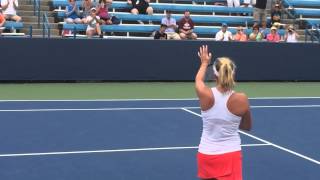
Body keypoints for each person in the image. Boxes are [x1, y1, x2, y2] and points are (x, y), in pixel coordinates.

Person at [195, 45, 252, 180]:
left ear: (215, 74)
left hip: (206, 155)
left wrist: (204, 63)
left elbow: (198, 81)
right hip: (230, 155)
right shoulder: (241, 99)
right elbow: (247, 126)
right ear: (233, 74)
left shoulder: (205, 94)